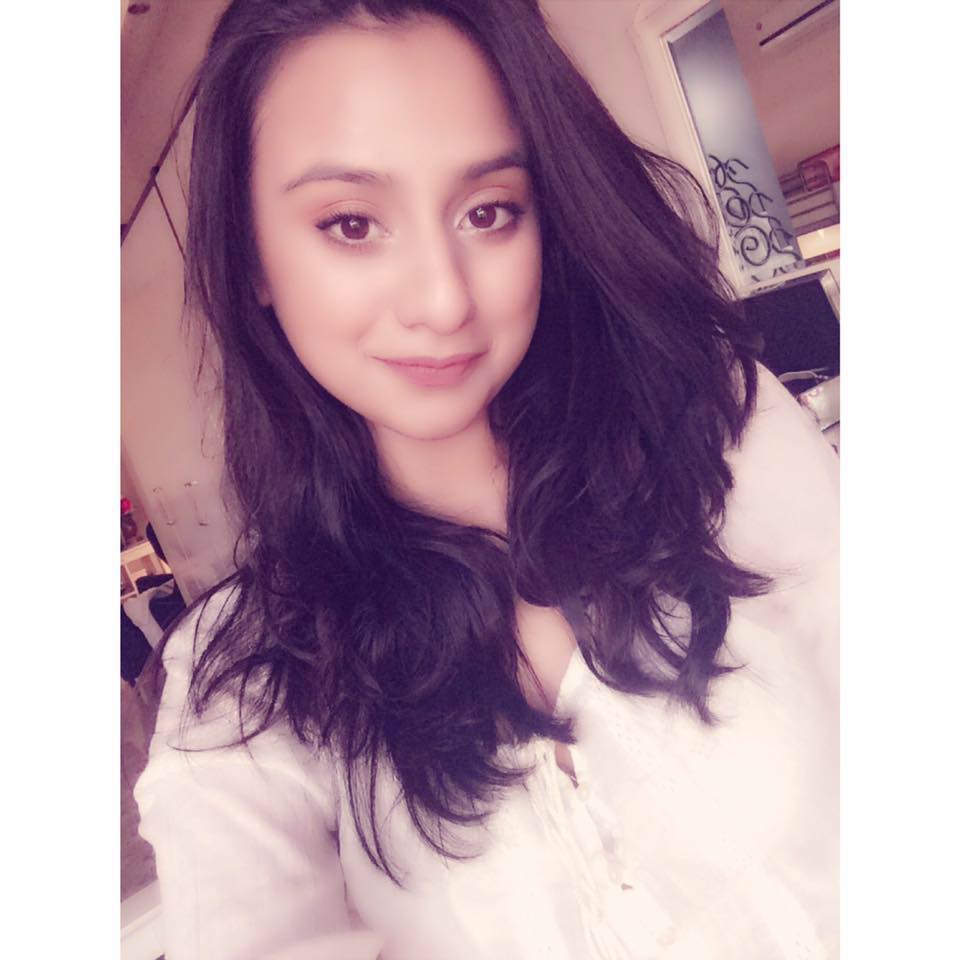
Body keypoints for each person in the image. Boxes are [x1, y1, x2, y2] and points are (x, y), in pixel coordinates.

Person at [134, 1, 840, 958]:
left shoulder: (719, 439)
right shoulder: (242, 683)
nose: (443, 299)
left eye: (488, 212)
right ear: (252, 256)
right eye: (351, 223)